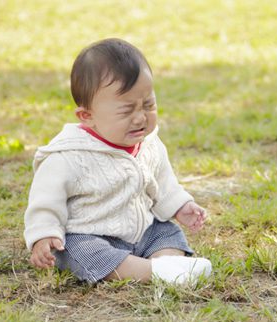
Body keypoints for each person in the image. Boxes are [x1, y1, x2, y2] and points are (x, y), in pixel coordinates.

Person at [23, 38, 212, 284]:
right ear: (87, 116)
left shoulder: (149, 144)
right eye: (126, 111)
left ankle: (166, 264)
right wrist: (43, 235)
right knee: (78, 252)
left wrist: (180, 206)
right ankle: (157, 272)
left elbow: (164, 182)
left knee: (166, 231)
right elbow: (45, 200)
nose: (140, 118)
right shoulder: (68, 156)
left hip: (141, 230)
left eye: (148, 105)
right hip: (91, 235)